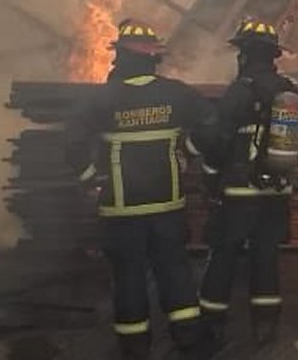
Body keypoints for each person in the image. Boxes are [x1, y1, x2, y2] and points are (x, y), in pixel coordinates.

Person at [67, 19, 221, 360]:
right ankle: (188, 340)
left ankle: (135, 347)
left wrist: (90, 179)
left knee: (128, 277)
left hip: (121, 211)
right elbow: (213, 125)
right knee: (175, 271)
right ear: (154, 57)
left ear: (119, 57)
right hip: (167, 206)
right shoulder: (177, 93)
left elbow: (72, 141)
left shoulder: (101, 99)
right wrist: (188, 152)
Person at [198, 18, 298, 347]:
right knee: (266, 256)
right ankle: (266, 327)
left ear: (245, 54)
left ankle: (212, 325)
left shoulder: (240, 91)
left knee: (224, 254)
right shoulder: (290, 92)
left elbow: (217, 140)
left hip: (239, 192)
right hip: (276, 191)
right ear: (273, 56)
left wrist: (211, 179)